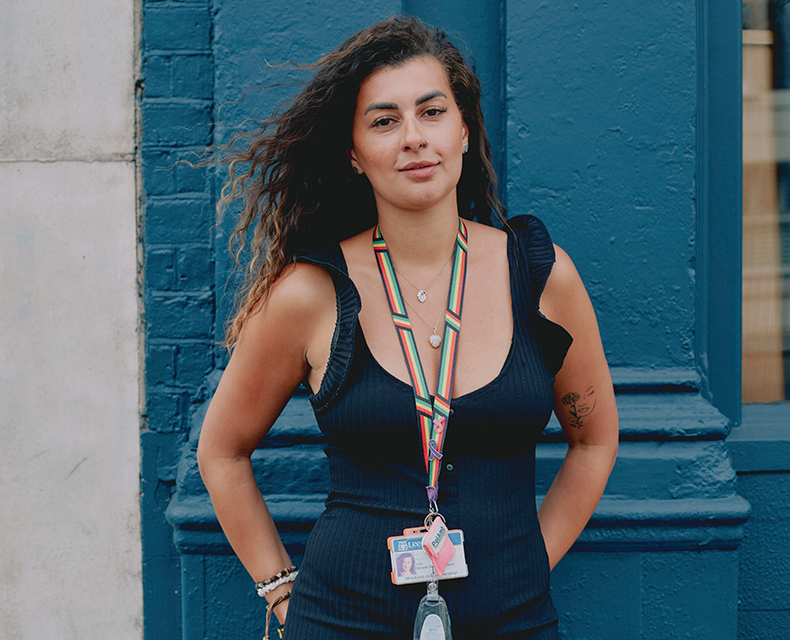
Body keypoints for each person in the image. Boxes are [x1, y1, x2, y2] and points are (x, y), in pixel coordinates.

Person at [196, 15, 619, 639]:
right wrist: (282, 591)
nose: (414, 138)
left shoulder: (539, 276)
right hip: (342, 622)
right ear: (355, 153)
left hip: (515, 623)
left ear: (466, 129)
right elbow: (221, 451)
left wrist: (528, 566)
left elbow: (595, 441)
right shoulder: (310, 294)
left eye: (432, 112)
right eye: (385, 121)